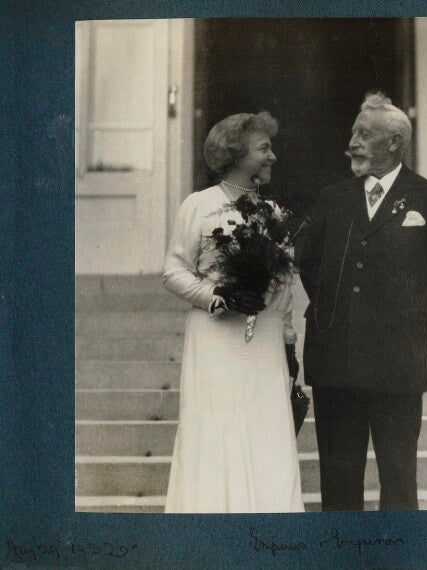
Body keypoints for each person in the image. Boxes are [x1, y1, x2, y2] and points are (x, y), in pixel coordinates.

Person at [296, 92, 427, 511]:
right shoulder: (332, 198)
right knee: (338, 486)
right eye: (352, 133)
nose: (352, 143)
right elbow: (307, 262)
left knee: (399, 484)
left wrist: (410, 309)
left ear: (394, 142)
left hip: (398, 362)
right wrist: (334, 311)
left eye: (364, 134)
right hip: (336, 361)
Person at [162, 112, 304, 513]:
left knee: (267, 433)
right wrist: (218, 295)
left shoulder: (274, 214)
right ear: (237, 154)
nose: (273, 156)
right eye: (264, 149)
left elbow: (283, 290)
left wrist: (289, 346)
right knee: (215, 430)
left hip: (266, 342)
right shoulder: (199, 205)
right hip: (215, 337)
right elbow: (173, 271)